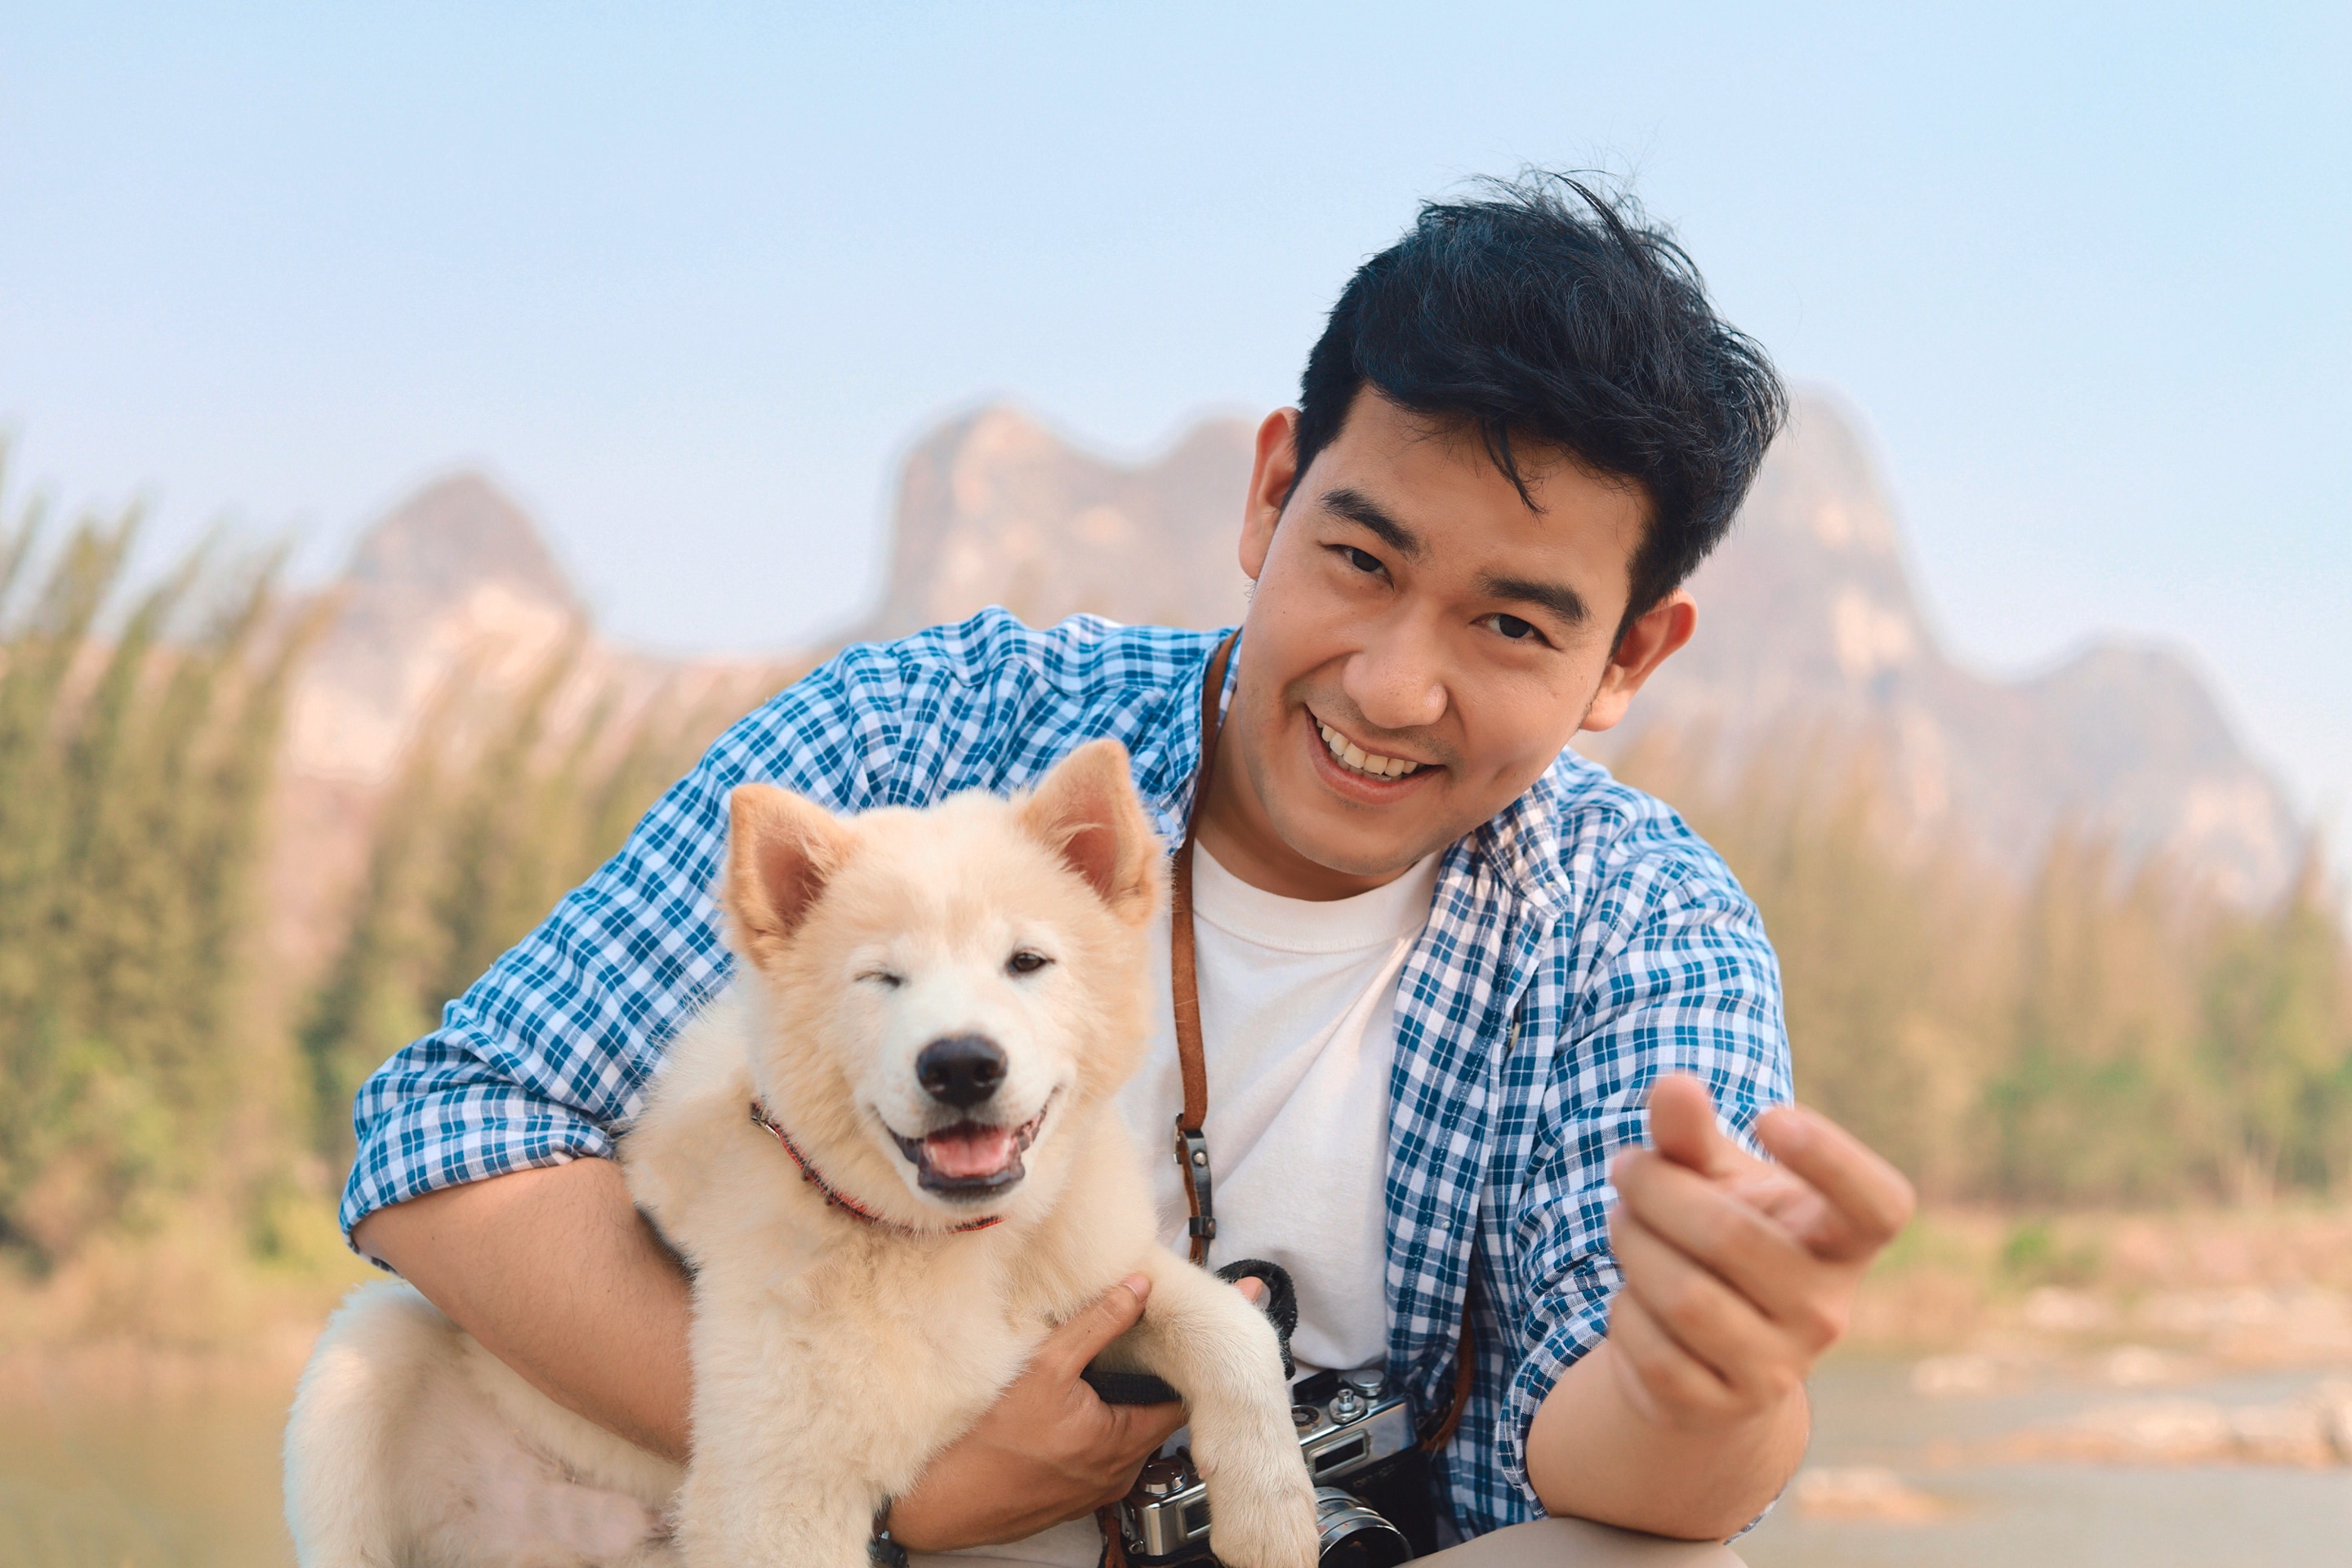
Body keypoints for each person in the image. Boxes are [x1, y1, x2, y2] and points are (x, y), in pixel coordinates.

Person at [345, 174, 1913, 1565]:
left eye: (1512, 624)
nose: (1389, 687)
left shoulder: (1642, 928)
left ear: (1631, 653)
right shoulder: (922, 739)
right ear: (1270, 490)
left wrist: (1710, 1386)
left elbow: (1633, 1470)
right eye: (1360, 560)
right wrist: (896, 1479)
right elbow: (446, 1134)